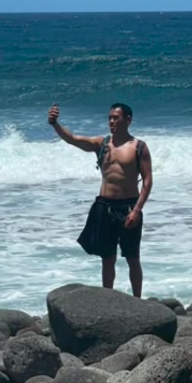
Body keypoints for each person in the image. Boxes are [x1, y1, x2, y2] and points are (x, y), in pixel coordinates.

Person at [48, 101, 152, 297]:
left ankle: (137, 300)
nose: (111, 121)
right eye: (109, 118)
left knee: (132, 258)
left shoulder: (138, 147)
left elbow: (147, 181)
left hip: (129, 207)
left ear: (128, 120)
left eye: (116, 118)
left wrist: (137, 211)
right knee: (107, 258)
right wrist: (55, 124)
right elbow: (72, 139)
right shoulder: (102, 144)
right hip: (104, 206)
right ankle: (107, 299)